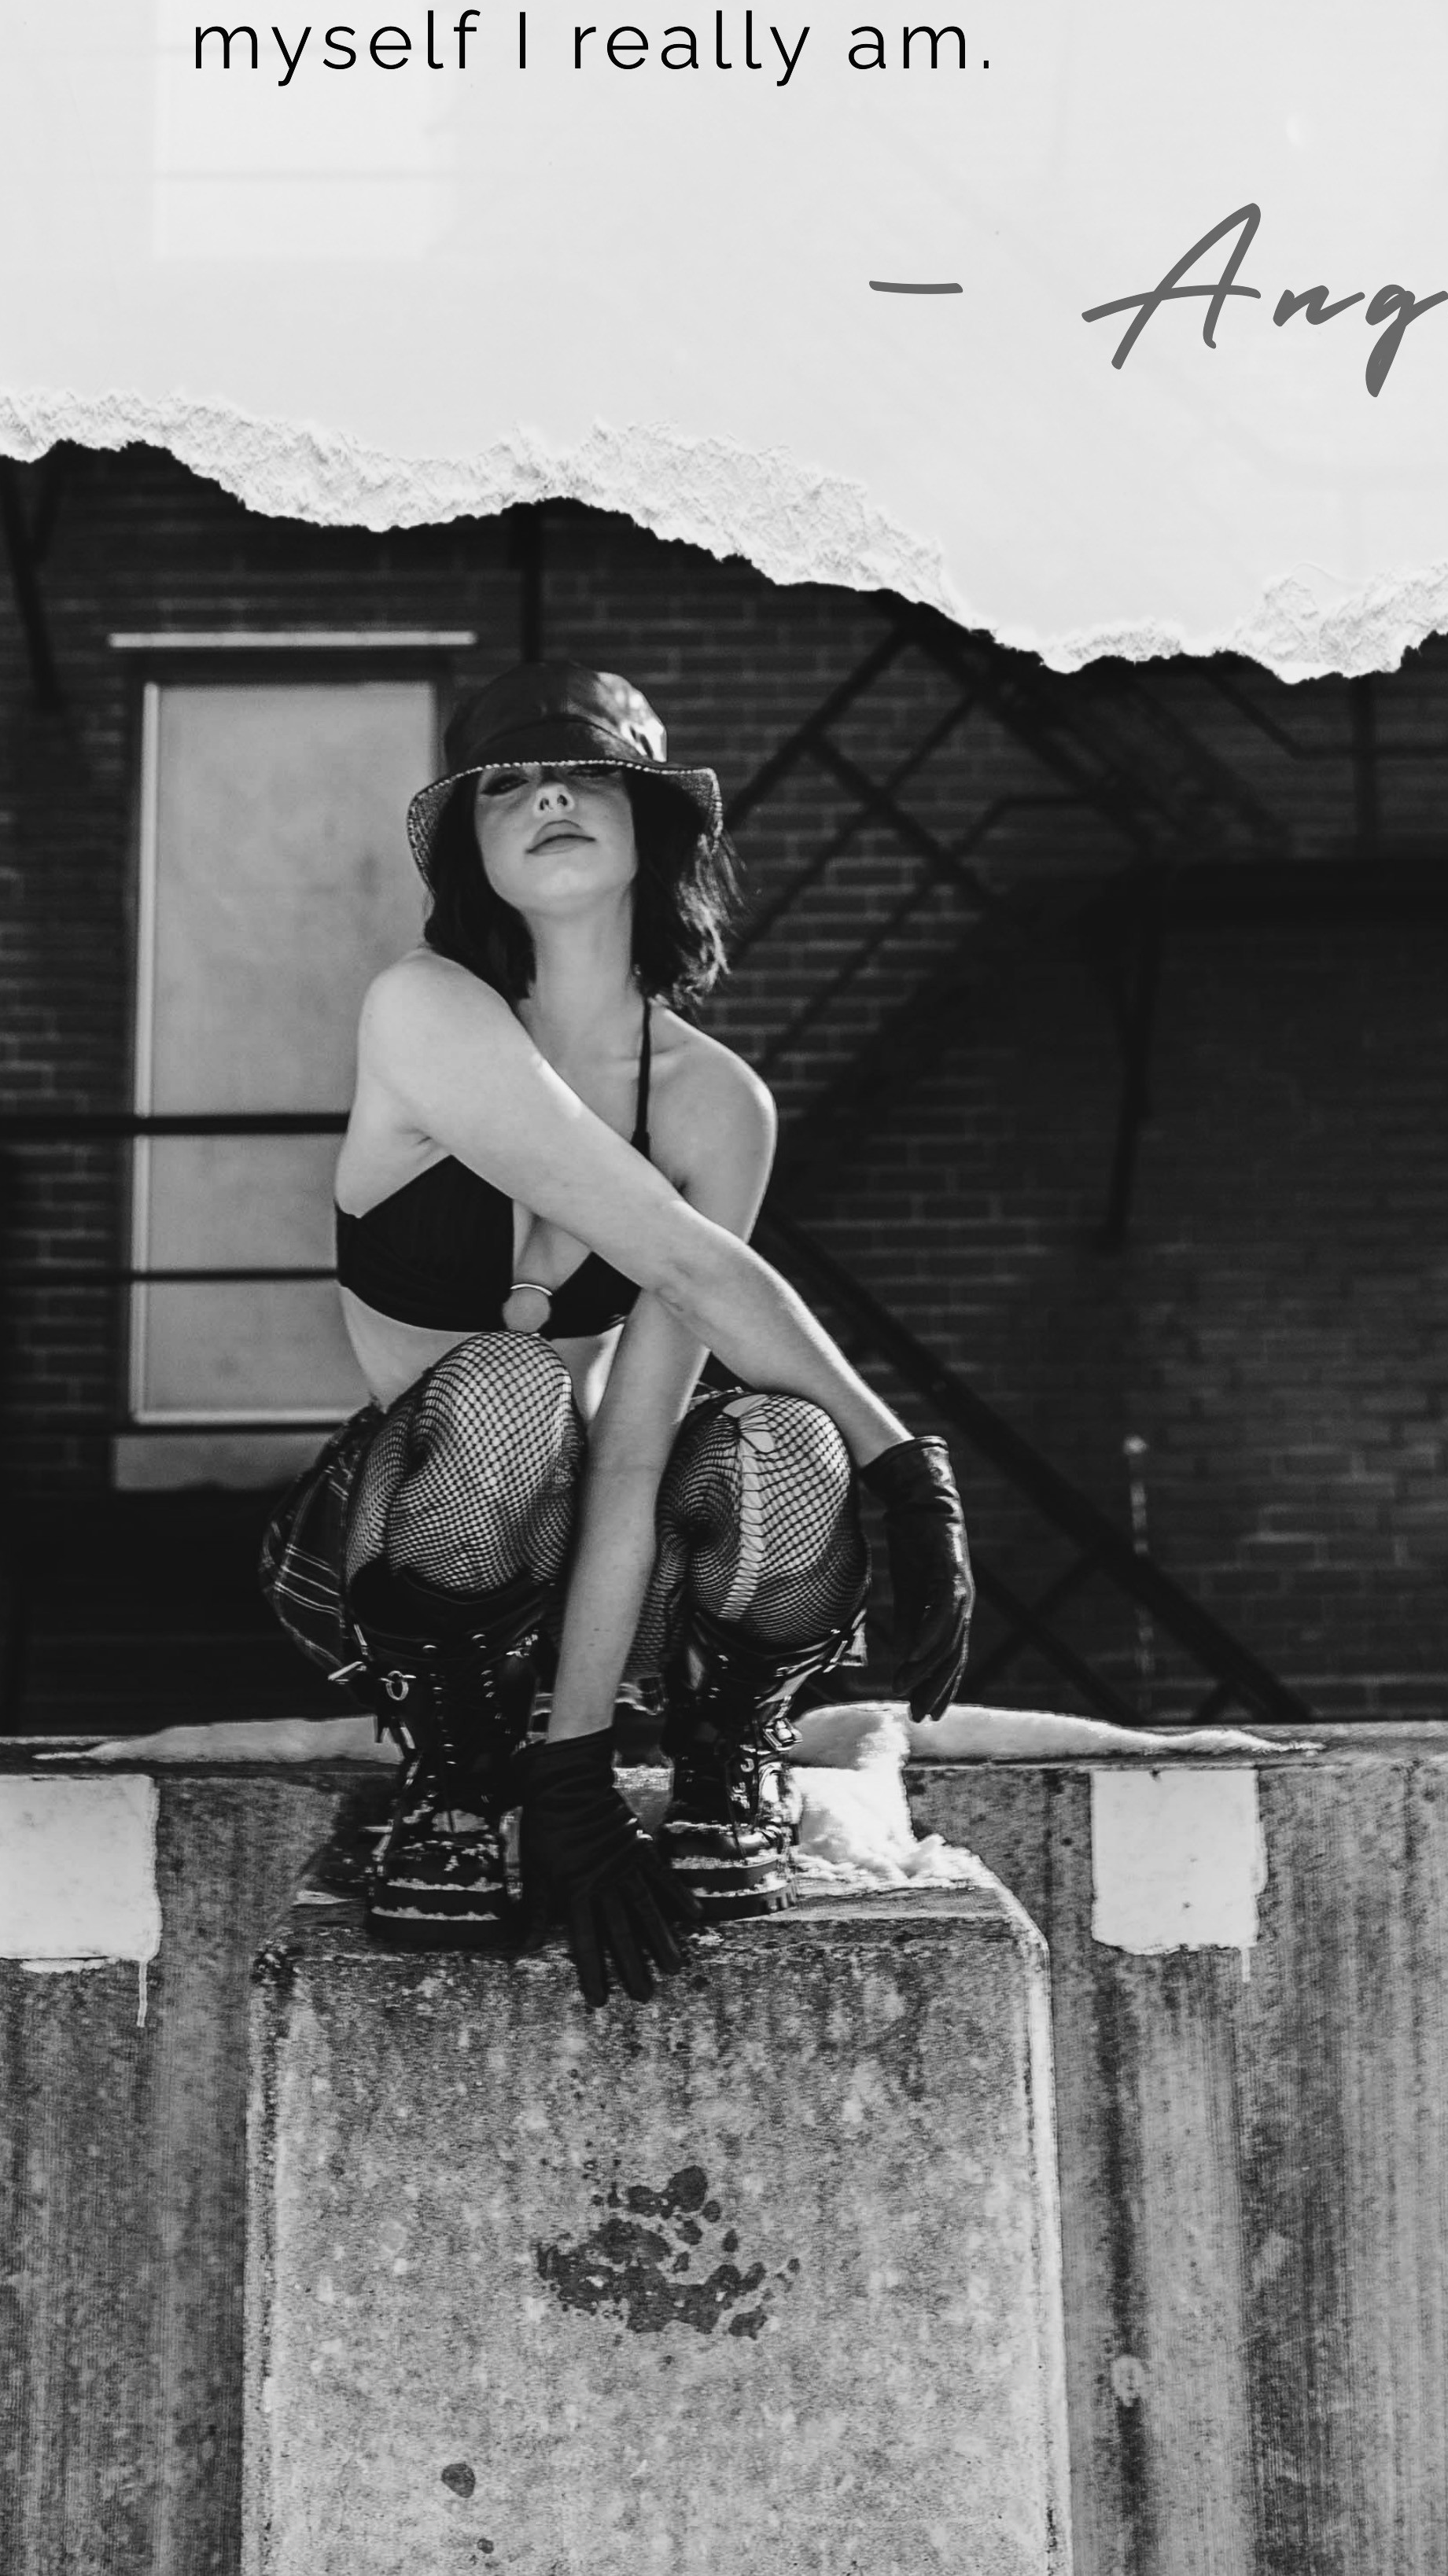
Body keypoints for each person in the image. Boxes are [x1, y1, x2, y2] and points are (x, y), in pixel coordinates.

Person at [259, 660, 978, 2010]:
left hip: (613, 1574)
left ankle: (721, 1754)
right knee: (512, 1384)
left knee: (784, 1436)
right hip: (420, 1558)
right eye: (510, 786)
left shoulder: (717, 1105)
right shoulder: (423, 1008)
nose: (549, 798)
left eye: (584, 775)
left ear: (651, 822)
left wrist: (579, 1767)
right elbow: (680, 1256)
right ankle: (457, 1775)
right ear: (471, 851)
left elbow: (637, 1456)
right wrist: (908, 1464)